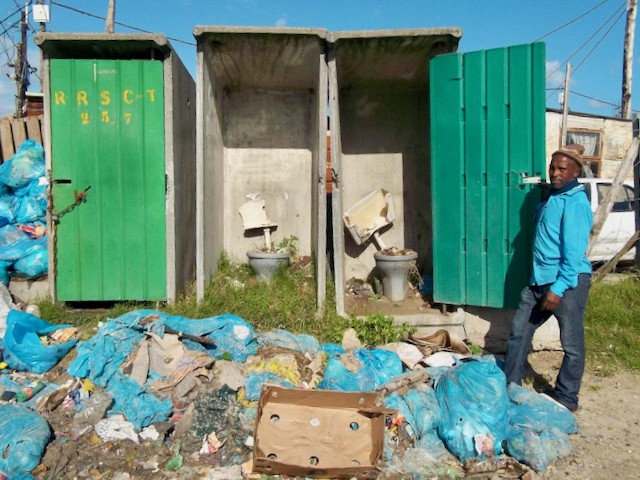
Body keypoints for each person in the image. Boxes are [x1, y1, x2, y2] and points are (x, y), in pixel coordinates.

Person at [504, 144, 593, 412]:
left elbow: (574, 254)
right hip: (538, 281)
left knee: (572, 344)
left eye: (562, 169)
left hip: (566, 283)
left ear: (575, 171)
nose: (555, 173)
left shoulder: (576, 203)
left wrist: (558, 288)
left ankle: (567, 398)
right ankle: (511, 384)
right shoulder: (554, 197)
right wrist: (544, 199)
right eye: (553, 167)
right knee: (520, 330)